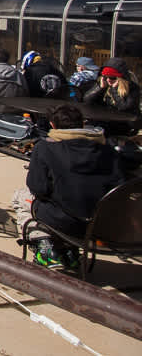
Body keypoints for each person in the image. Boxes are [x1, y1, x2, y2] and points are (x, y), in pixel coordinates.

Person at [12, 104, 127, 269]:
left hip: (64, 220)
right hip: (100, 225)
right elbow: (119, 187)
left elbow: (38, 188)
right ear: (82, 124)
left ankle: (44, 246)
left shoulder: (45, 148)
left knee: (20, 196)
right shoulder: (109, 151)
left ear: (52, 125)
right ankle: (67, 250)